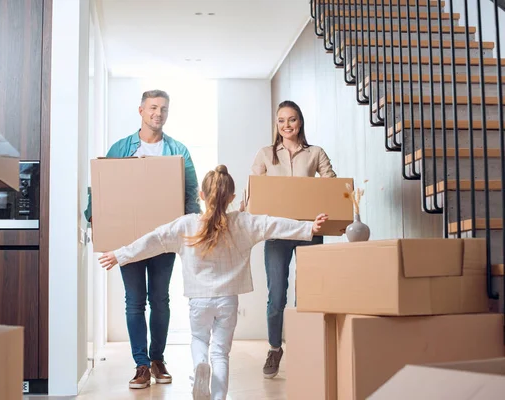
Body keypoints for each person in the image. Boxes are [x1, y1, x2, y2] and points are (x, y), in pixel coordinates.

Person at [99, 165, 329, 400]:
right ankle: (218, 397)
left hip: (199, 300)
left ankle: (200, 365)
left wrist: (121, 254)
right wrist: (309, 227)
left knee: (199, 339)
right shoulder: (243, 222)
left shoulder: (186, 225)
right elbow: (272, 224)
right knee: (220, 353)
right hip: (228, 300)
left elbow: (154, 239)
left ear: (201, 195)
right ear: (231, 198)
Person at [84, 89, 201, 389]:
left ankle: (157, 359)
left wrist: (194, 231)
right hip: (129, 240)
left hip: (164, 239)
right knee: (134, 302)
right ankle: (140, 366)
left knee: (160, 300)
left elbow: (189, 193)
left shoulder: (178, 151)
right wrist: (94, 218)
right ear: (140, 111)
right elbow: (100, 187)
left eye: (163, 109)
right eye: (152, 108)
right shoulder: (122, 147)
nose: (157, 113)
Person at [250, 100, 337, 379]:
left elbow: (333, 185)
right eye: (281, 120)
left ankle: (305, 348)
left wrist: (327, 193)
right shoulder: (265, 154)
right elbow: (253, 191)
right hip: (277, 233)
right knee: (276, 296)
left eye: (292, 119)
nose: (287, 125)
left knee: (307, 294)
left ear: (300, 122)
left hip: (310, 231)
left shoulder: (315, 153)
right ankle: (275, 349)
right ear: (276, 125)